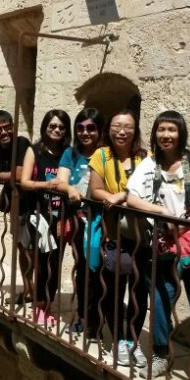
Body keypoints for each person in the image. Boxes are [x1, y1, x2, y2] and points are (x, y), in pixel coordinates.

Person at [126, 110, 190, 380]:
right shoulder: (148, 165)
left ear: (181, 133)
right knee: (160, 302)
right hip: (164, 249)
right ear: (154, 133)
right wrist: (162, 212)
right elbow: (132, 198)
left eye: (171, 130)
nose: (166, 135)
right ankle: (161, 354)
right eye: (161, 130)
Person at [87, 108, 150, 368]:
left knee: (139, 293)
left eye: (127, 127)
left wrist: (123, 196)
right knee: (113, 291)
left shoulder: (145, 158)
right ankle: (120, 341)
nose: (122, 131)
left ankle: (134, 341)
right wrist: (112, 197)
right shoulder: (101, 155)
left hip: (142, 237)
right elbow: (96, 190)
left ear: (135, 131)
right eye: (116, 126)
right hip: (115, 235)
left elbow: (150, 190)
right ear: (109, 130)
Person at [54, 107, 105, 335]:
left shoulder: (105, 154)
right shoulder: (71, 153)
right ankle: (85, 318)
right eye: (80, 128)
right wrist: (70, 189)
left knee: (101, 272)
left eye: (91, 128)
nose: (85, 132)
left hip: (103, 223)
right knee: (84, 271)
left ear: (99, 130)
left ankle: (99, 318)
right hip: (79, 221)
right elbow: (60, 181)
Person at [20, 109, 71, 325]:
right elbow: (25, 182)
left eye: (61, 127)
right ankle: (39, 305)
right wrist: (46, 184)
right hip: (40, 214)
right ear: (45, 127)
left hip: (61, 215)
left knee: (55, 263)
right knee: (43, 261)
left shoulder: (68, 153)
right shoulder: (35, 151)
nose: (56, 130)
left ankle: (48, 305)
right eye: (52, 126)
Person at [0, 110, 35, 305]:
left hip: (32, 200)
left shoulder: (21, 143)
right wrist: (6, 175)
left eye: (7, 127)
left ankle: (36, 291)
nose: (3, 132)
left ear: (13, 126)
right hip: (16, 200)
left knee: (32, 249)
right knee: (21, 246)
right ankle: (29, 290)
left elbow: (20, 174)